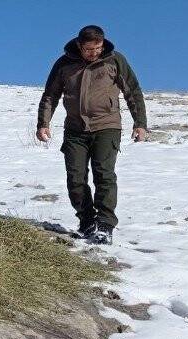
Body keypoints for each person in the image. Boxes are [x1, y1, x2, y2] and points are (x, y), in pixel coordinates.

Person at [36, 25, 147, 244]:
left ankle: (105, 225)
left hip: (107, 126)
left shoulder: (115, 60)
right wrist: (43, 123)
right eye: (89, 49)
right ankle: (87, 222)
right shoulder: (64, 63)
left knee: (104, 174)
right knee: (75, 178)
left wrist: (140, 123)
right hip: (75, 130)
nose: (94, 53)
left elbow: (132, 92)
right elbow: (50, 95)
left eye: (97, 48)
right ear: (79, 46)